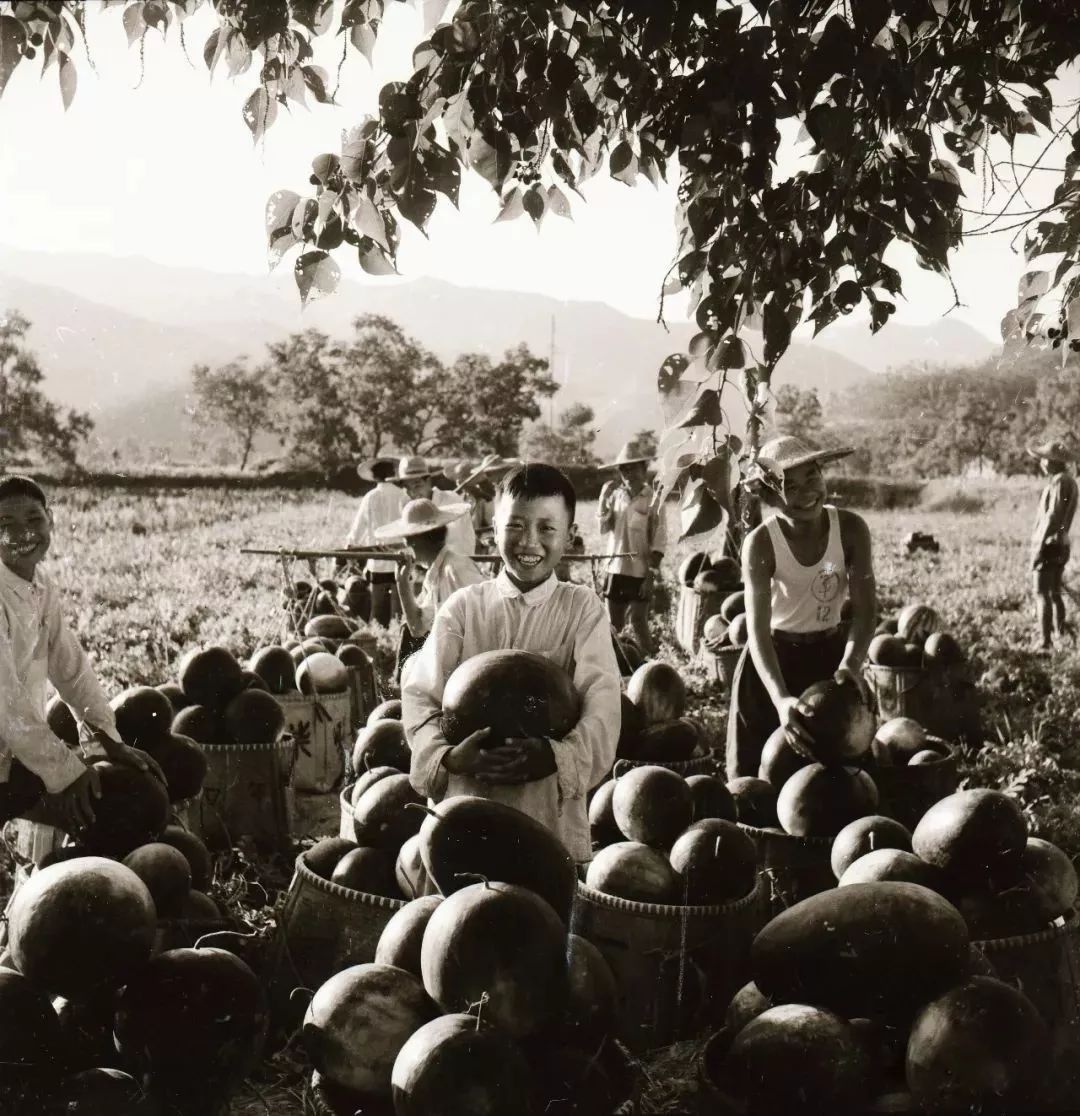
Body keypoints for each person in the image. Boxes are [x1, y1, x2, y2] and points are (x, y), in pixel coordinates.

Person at [402, 463, 621, 864]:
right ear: (494, 531)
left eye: (547, 528)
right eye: (515, 526)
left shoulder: (582, 609)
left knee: (537, 913)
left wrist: (556, 756)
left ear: (570, 536)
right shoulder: (464, 607)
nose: (530, 542)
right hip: (466, 803)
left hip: (546, 814)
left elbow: (603, 709)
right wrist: (446, 756)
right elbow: (419, 695)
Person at [0, 475, 158, 838]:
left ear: (51, 520)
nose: (24, 534)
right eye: (5, 525)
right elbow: (5, 702)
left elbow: (70, 668)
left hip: (13, 752)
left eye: (34, 520)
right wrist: (67, 772)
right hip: (10, 740)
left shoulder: (40, 585)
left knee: (103, 807)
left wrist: (106, 738)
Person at [726, 436, 876, 780]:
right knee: (756, 780)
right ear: (768, 496)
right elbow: (758, 632)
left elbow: (866, 611)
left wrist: (851, 664)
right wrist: (780, 699)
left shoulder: (851, 530)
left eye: (811, 479)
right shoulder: (761, 543)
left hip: (830, 660)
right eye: (787, 486)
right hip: (773, 662)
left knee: (841, 779)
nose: (804, 493)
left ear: (823, 477)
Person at [374, 497, 485, 681]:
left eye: (407, 541)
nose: (406, 547)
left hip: (471, 667)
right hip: (453, 666)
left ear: (416, 541)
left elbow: (484, 621)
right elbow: (416, 628)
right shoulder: (434, 574)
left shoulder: (456, 568)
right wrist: (402, 583)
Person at [597, 442, 667, 656]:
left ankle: (652, 666)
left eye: (633, 468)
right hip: (615, 568)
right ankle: (615, 668)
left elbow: (660, 538)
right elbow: (603, 528)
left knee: (638, 621)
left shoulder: (654, 499)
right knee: (614, 626)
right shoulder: (615, 496)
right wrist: (602, 499)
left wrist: (650, 574)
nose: (628, 473)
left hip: (640, 570)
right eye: (624, 469)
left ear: (644, 469)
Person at [1028, 438, 1079, 652]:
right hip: (1061, 544)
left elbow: (1052, 517)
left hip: (1048, 543)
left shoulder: (1058, 482)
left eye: (1044, 459)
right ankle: (1059, 633)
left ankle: (1045, 641)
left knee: (1041, 593)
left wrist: (1039, 547)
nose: (1041, 463)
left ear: (1052, 462)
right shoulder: (1069, 482)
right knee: (1055, 591)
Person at [346, 458, 406, 627]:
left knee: (377, 609)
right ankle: (396, 638)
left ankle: (378, 637)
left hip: (378, 559)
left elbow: (359, 526)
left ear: (375, 476)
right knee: (399, 610)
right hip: (400, 559)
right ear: (392, 474)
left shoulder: (370, 497)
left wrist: (351, 544)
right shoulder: (403, 496)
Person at [399, 456, 476, 559]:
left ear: (428, 481)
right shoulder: (408, 507)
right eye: (407, 488)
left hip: (457, 565)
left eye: (417, 486)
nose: (413, 493)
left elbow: (454, 541)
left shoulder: (451, 500)